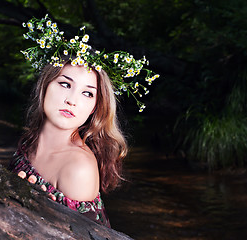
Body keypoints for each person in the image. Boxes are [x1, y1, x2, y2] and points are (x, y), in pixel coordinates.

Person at [9, 15, 158, 228]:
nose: (72, 100)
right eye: (65, 84)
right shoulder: (29, 140)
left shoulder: (78, 169)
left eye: (87, 94)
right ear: (45, 86)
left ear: (95, 108)